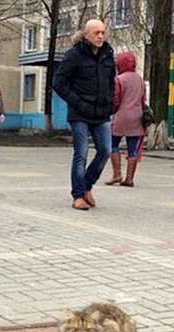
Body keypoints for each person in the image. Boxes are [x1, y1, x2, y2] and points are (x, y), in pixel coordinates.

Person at [54, 20, 116, 210]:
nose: (100, 36)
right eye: (96, 33)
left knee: (105, 150)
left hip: (101, 112)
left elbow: (111, 81)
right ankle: (78, 195)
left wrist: (110, 101)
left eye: (103, 32)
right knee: (81, 154)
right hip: (79, 113)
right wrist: (78, 102)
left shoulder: (107, 54)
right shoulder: (74, 55)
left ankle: (87, 185)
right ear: (86, 35)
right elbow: (59, 83)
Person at [106, 51, 146, 187]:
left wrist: (111, 112)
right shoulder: (140, 79)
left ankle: (117, 174)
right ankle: (129, 179)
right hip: (137, 116)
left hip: (121, 115)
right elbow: (142, 100)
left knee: (113, 144)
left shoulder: (119, 79)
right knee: (132, 148)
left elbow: (116, 100)